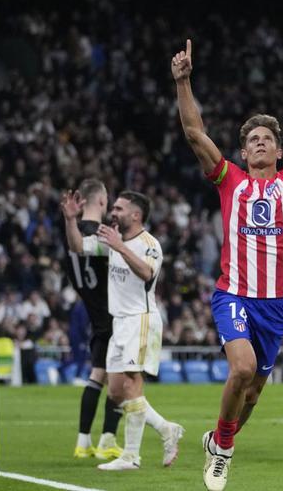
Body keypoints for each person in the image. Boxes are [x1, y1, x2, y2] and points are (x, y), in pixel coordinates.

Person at [172, 36, 283, 491]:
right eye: (253, 140)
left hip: (275, 304)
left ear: (279, 151)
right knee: (241, 369)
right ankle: (222, 451)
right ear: (243, 154)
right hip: (235, 293)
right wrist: (183, 83)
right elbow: (193, 134)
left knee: (254, 392)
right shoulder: (230, 181)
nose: (260, 143)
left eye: (268, 138)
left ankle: (220, 436)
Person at [62, 189, 184, 471]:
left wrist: (119, 247)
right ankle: (166, 428)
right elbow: (78, 247)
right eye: (113, 207)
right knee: (117, 391)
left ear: (135, 215)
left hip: (140, 320)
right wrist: (70, 221)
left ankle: (131, 456)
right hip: (120, 323)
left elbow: (147, 273)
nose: (112, 212)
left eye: (119, 209)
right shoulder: (112, 240)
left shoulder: (148, 243)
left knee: (131, 386)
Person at [62, 178, 123, 460]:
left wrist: (69, 221)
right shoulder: (101, 234)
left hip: (94, 313)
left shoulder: (71, 235)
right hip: (112, 312)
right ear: (100, 200)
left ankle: (83, 441)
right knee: (119, 381)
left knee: (97, 374)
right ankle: (108, 439)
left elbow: (76, 252)